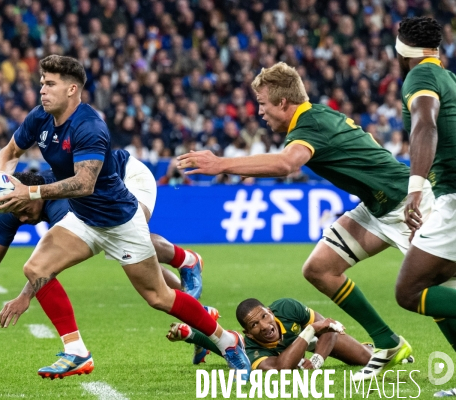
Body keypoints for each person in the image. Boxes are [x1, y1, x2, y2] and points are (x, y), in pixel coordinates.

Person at [0, 55, 251, 379]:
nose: (42, 89)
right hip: (83, 218)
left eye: (50, 83)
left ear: (72, 89)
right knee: (36, 268)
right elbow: (9, 152)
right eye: (42, 82)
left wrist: (28, 192)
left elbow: (83, 183)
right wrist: (3, 180)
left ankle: (228, 341)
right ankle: (76, 352)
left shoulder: (89, 126)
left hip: (118, 220)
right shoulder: (40, 118)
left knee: (159, 297)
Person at [177, 61, 435, 380]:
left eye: (262, 104)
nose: (260, 113)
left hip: (408, 203)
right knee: (320, 268)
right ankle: (388, 342)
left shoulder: (309, 124)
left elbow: (287, 164)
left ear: (283, 103)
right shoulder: (314, 118)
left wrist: (221, 164)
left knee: (438, 289)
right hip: (378, 205)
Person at [0, 153, 207, 369]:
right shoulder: (13, 204)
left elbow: (51, 263)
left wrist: (25, 296)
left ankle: (187, 259)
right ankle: (199, 313)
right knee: (129, 254)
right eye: (13, 212)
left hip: (128, 174)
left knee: (128, 233)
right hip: (101, 202)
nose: (20, 219)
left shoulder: (60, 204)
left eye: (21, 210)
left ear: (32, 190)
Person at [392, 17, 456, 398]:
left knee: (409, 291)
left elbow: (425, 124)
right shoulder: (449, 78)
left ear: (402, 49)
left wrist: (415, 188)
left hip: (452, 194)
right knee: (436, 285)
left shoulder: (420, 78)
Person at [166, 297, 411, 371]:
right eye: (254, 325)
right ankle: (192, 334)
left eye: (264, 316)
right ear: (248, 332)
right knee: (231, 350)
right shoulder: (250, 348)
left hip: (307, 345)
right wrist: (187, 332)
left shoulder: (287, 308)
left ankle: (369, 347)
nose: (263, 325)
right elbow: (283, 366)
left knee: (367, 359)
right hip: (286, 351)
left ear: (271, 312)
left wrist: (316, 361)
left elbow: (327, 326)